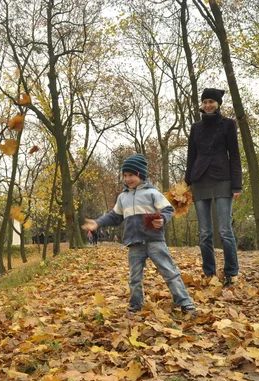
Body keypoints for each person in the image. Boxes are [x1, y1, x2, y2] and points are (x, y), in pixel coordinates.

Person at [82, 154, 196, 315]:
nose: (128, 179)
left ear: (140, 175)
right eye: (125, 175)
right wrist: (98, 222)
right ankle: (135, 306)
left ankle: (185, 303)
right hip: (134, 243)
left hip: (154, 240)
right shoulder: (123, 197)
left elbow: (168, 209)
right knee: (134, 278)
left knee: (169, 272)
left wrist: (162, 219)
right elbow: (115, 216)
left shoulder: (152, 193)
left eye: (131, 175)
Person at [185, 88, 242, 288]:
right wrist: (187, 183)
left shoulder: (228, 125)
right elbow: (191, 156)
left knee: (225, 230)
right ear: (201, 105)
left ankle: (231, 273)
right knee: (205, 233)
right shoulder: (196, 128)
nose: (208, 105)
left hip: (223, 179)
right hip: (200, 179)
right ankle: (209, 273)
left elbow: (234, 155)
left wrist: (237, 184)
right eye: (205, 101)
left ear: (218, 104)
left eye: (211, 101)